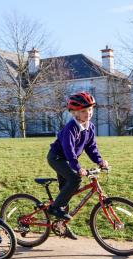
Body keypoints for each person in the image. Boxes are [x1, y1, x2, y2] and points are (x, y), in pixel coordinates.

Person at [47, 91, 109, 240]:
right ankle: (54, 208)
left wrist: (100, 161)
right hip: (57, 158)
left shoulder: (90, 127)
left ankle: (61, 226)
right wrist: (78, 168)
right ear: (75, 113)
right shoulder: (70, 128)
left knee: (65, 194)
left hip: (67, 160)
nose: (88, 113)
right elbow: (69, 150)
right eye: (83, 111)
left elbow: (91, 147)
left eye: (90, 109)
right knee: (75, 180)